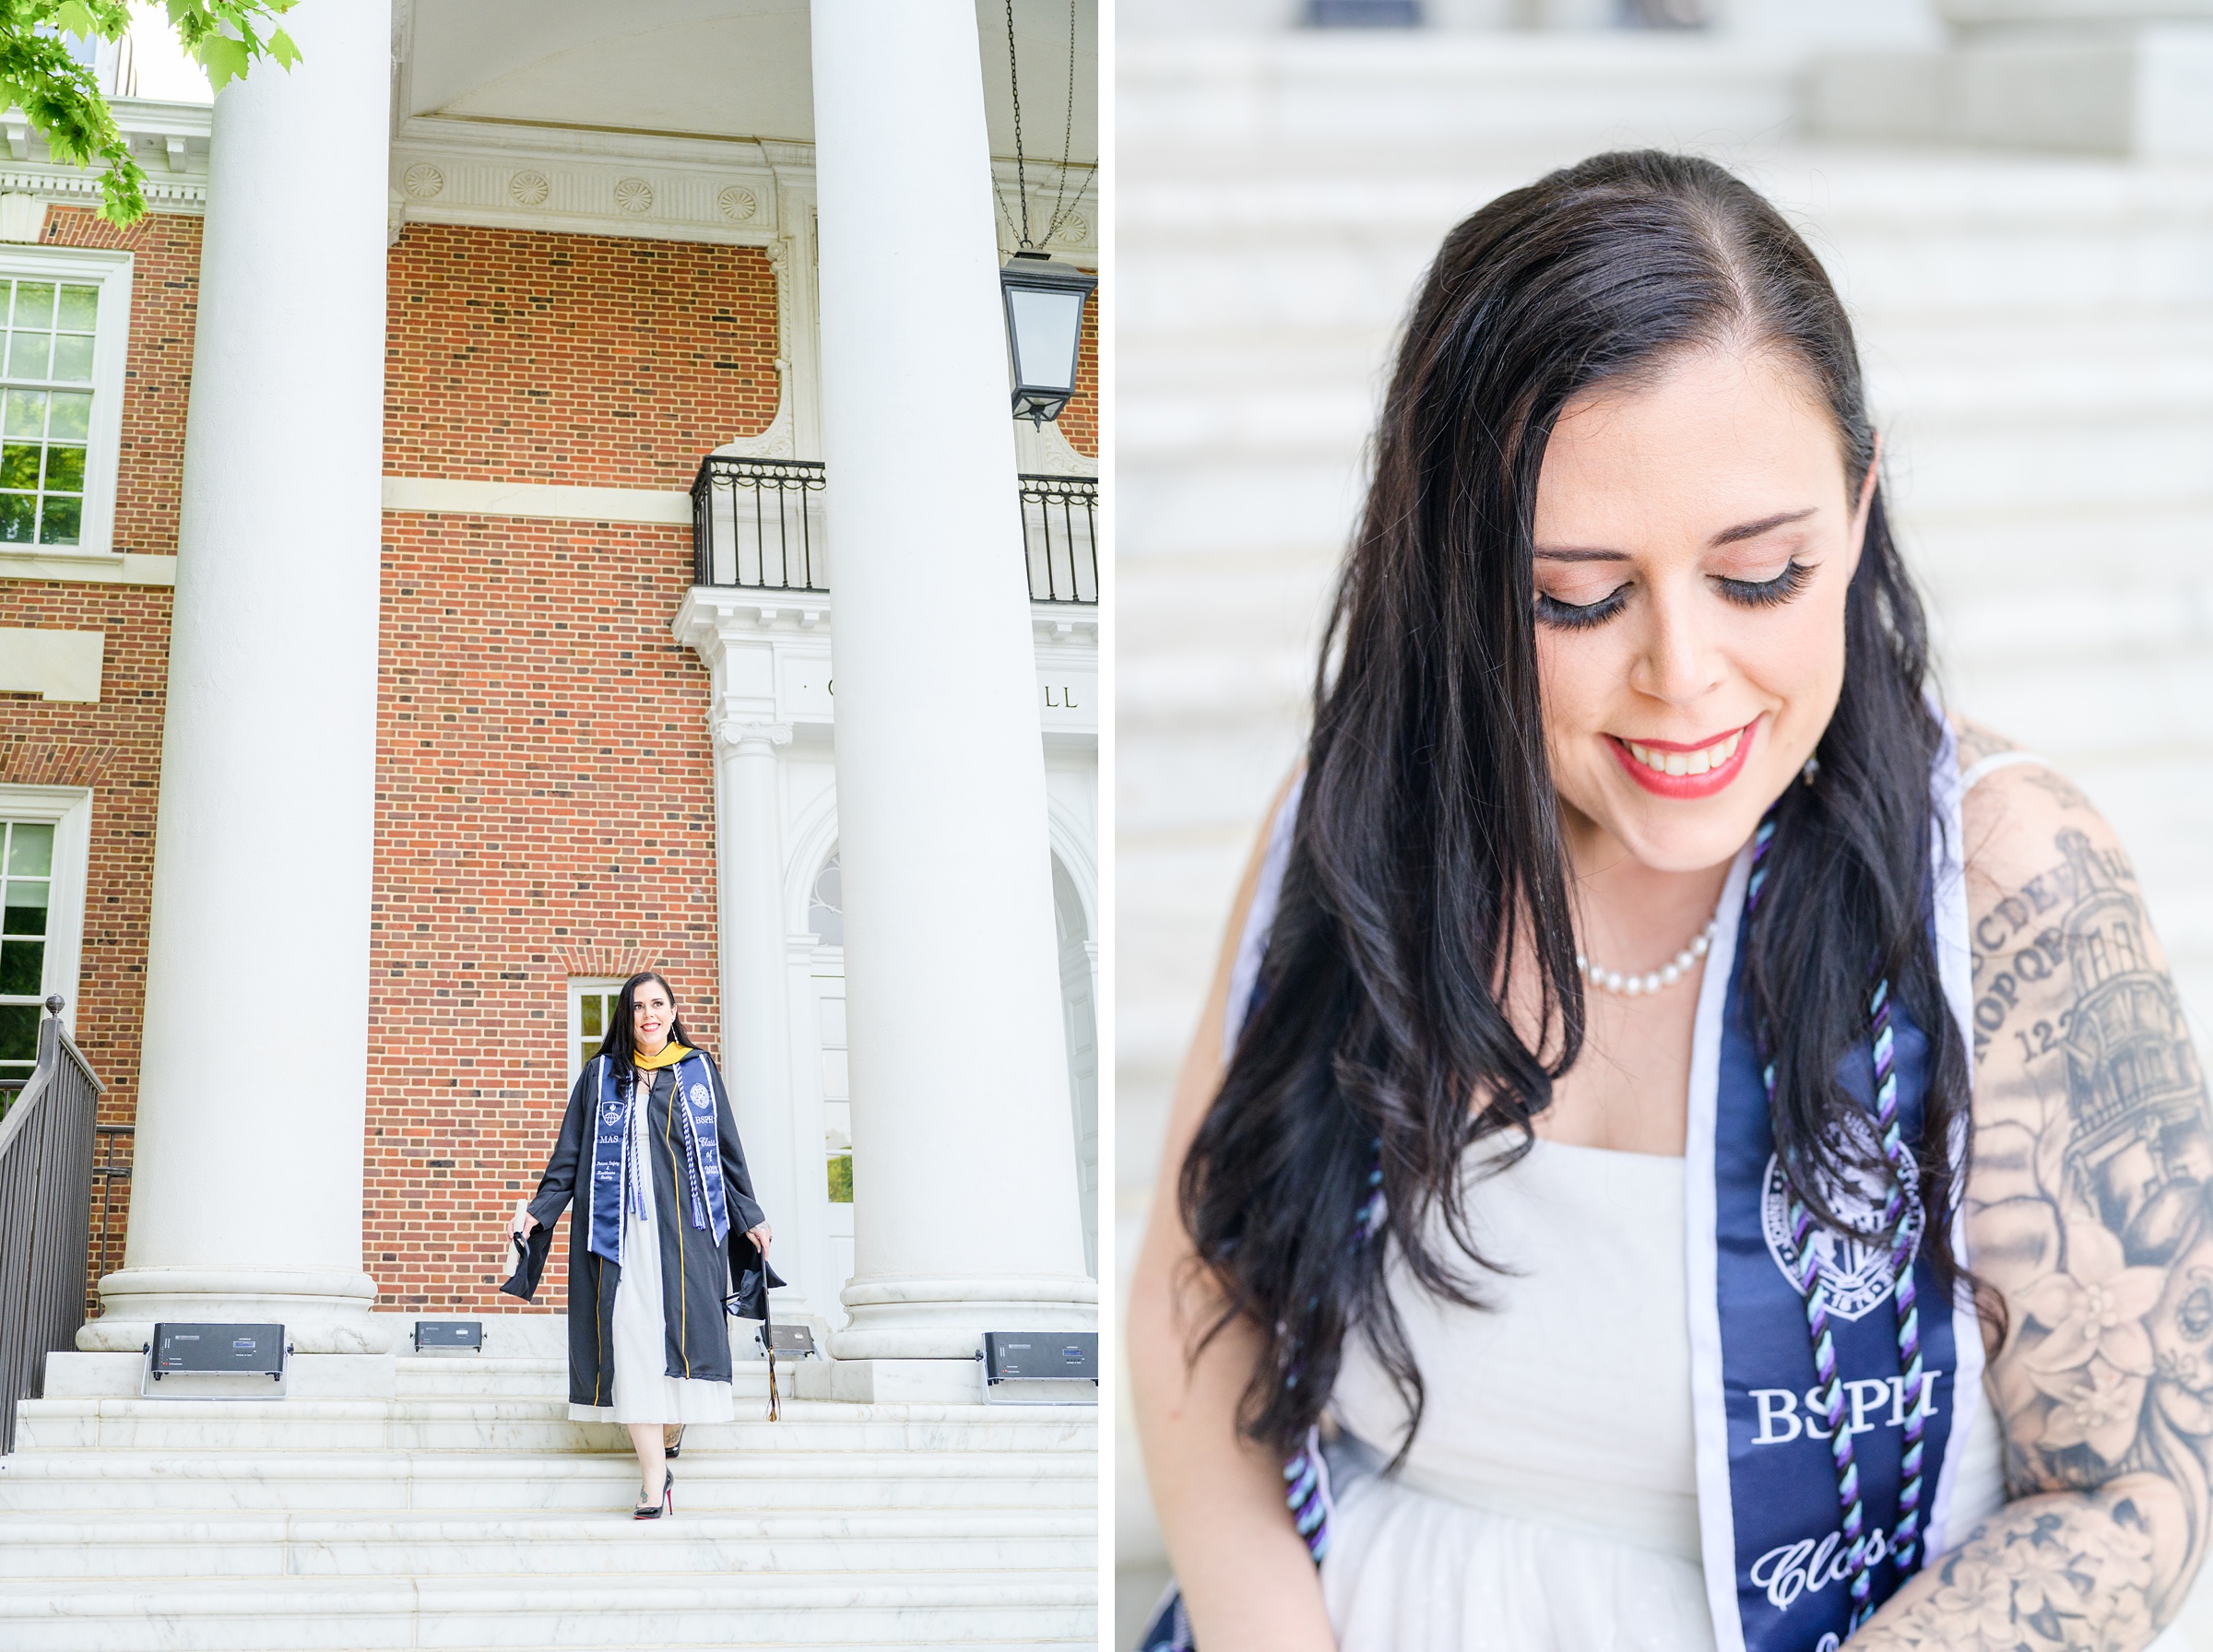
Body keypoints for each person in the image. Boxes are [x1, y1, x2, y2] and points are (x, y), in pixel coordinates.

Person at [1128, 150, 2213, 1652]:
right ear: (1453, 575)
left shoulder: (2008, 875)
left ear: (1861, 501)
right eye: (1577, 595)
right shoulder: (1358, 816)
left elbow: (2132, 1495)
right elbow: (1198, 1301)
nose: (1683, 675)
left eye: (1762, 574)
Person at [506, 970, 775, 1518]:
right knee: (627, 1337)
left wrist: (750, 1214)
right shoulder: (600, 1076)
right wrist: (538, 1211)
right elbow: (570, 1156)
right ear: (625, 1019)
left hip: (685, 1234)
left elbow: (727, 1151)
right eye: (637, 1007)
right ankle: (655, 1475)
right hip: (618, 1237)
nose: (648, 1014)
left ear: (674, 1013)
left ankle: (671, 1424)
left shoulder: (696, 1073)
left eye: (658, 1004)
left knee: (677, 1338)